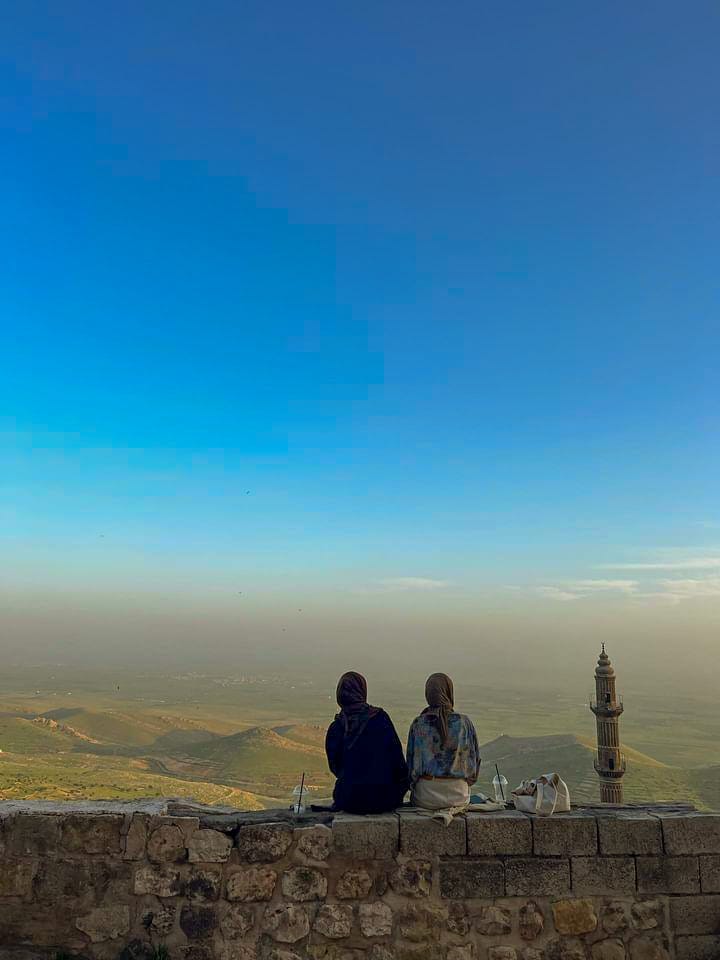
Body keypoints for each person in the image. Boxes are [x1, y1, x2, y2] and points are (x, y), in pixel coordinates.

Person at [325, 671, 408, 814]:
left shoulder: (336, 727)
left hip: (349, 800)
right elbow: (398, 763)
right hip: (385, 799)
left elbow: (336, 768)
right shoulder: (380, 718)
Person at [406, 672, 481, 810]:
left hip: (426, 796)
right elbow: (474, 763)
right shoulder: (464, 723)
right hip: (459, 795)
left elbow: (410, 767)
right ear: (448, 692)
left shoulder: (418, 724)